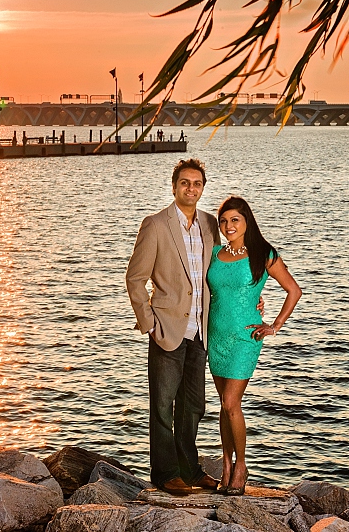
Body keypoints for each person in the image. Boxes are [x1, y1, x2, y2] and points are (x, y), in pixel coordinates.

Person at [125, 158, 221, 495]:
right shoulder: (155, 225)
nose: (190, 188)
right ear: (174, 186)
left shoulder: (211, 225)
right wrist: (148, 322)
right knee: (163, 406)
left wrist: (250, 298)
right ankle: (165, 474)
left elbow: (219, 273)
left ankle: (190, 470)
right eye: (185, 183)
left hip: (200, 330)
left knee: (194, 405)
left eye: (196, 183)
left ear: (202, 188)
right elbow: (135, 279)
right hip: (166, 328)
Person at [206, 196, 301, 496]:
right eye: (223, 221)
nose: (228, 226)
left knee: (231, 403)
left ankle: (242, 466)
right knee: (224, 406)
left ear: (247, 220)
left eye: (234, 219)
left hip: (246, 338)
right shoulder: (214, 254)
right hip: (216, 336)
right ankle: (226, 463)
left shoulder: (263, 254)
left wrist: (274, 325)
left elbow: (294, 290)